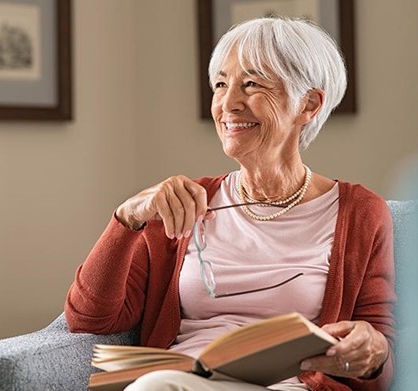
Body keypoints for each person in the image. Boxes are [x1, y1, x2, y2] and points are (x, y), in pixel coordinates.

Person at [65, 17, 395, 391]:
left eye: (251, 84)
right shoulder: (182, 204)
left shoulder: (360, 212)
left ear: (308, 103)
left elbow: (378, 357)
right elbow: (88, 319)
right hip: (184, 379)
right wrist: (126, 219)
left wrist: (373, 351)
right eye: (221, 84)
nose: (228, 104)